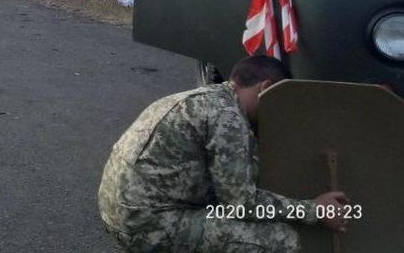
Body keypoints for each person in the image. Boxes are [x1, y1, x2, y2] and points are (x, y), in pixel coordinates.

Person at [98, 55, 349, 252]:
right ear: (266, 88)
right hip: (145, 226)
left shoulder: (202, 99)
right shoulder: (228, 116)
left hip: (118, 212)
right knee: (282, 239)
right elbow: (241, 205)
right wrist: (312, 209)